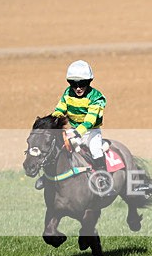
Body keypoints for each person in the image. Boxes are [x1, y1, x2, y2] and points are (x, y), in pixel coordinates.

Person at [35, 60, 107, 190]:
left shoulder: (96, 97)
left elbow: (90, 120)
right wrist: (53, 121)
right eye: (73, 84)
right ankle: (47, 176)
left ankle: (104, 178)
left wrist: (77, 132)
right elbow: (60, 109)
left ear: (89, 82)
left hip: (91, 132)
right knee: (56, 146)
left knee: (96, 150)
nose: (78, 88)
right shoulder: (68, 93)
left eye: (82, 84)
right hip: (74, 130)